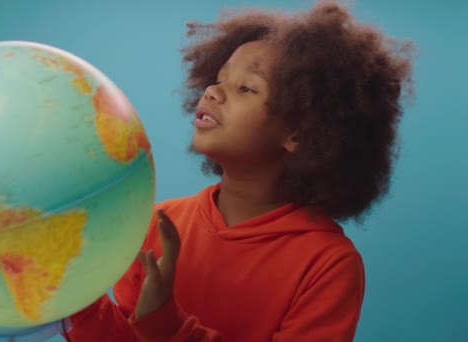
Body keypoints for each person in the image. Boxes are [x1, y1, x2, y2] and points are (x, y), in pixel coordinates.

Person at [62, 0, 414, 341]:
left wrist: (167, 325)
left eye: (245, 87)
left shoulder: (328, 264)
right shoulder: (158, 222)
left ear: (299, 133)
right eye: (218, 79)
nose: (213, 92)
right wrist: (74, 299)